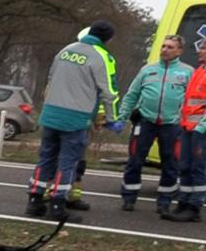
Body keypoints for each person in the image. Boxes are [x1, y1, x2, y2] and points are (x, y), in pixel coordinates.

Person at [26, 21, 121, 221]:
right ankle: (57, 205)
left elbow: (51, 79)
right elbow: (109, 92)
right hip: (75, 117)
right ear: (109, 39)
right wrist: (113, 119)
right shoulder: (102, 57)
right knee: (68, 162)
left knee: (45, 158)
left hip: (51, 113)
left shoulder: (65, 50)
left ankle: (34, 201)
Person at [118, 34, 193, 212]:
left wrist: (186, 122)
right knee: (135, 160)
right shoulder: (147, 70)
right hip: (145, 121)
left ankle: (164, 202)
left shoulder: (187, 72)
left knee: (170, 164)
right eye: (163, 46)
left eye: (170, 47)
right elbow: (132, 95)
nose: (165, 50)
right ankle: (129, 197)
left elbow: (192, 98)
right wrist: (122, 117)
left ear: (179, 51)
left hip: (172, 124)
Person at [173, 44, 206, 222]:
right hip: (187, 127)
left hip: (201, 131)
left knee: (198, 169)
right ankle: (183, 203)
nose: (199, 51)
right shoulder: (199, 71)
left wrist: (201, 128)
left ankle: (195, 207)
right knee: (185, 166)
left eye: (204, 48)